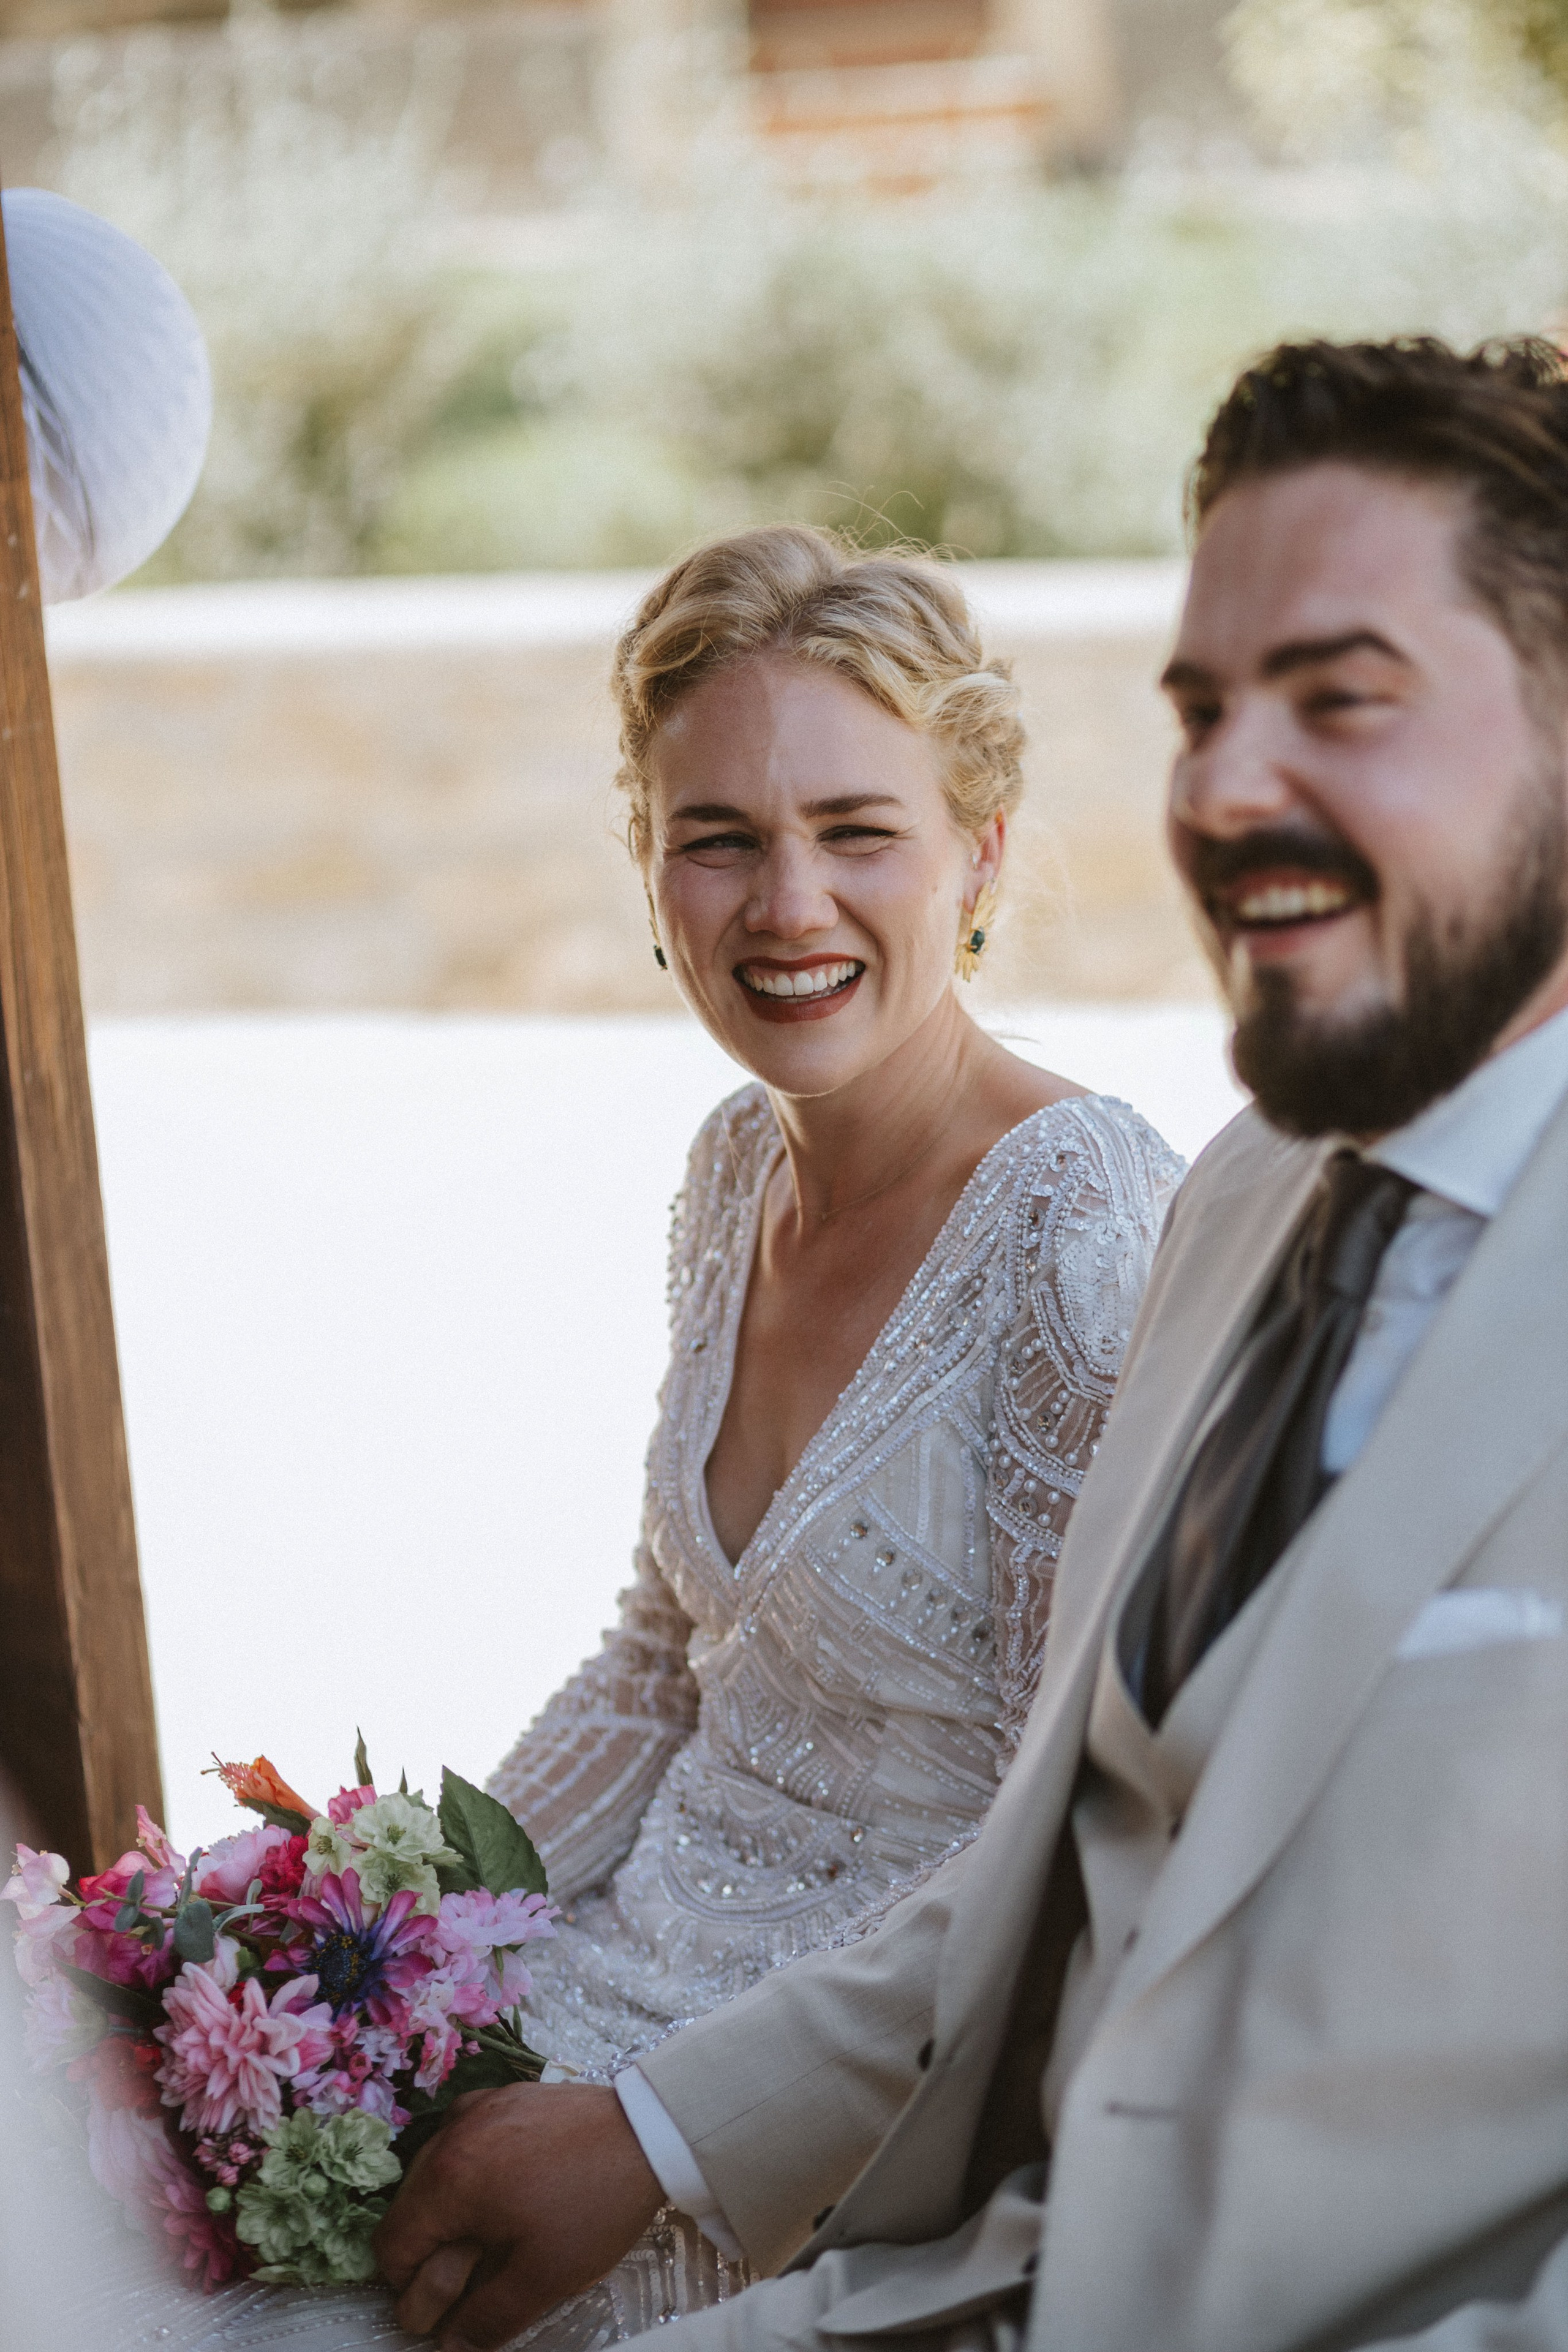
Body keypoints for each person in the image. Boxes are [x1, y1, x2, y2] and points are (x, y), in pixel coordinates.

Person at [375, 337, 1568, 2352]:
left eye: (1344, 701)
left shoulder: (1097, 1208)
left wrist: (668, 2151)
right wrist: (402, 1943)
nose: (1229, 788)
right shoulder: (1252, 1198)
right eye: (1202, 710)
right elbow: (1018, 1836)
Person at [48, 526, 1177, 2352]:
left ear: (977, 849)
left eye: (856, 832)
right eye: (717, 837)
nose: (787, 904)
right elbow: (665, 1672)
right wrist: (357, 1929)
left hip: (842, 2113)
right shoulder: (735, 1175)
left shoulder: (1086, 1235)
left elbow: (1079, 1829)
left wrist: (645, 2139)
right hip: (604, 1979)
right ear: (650, 876)